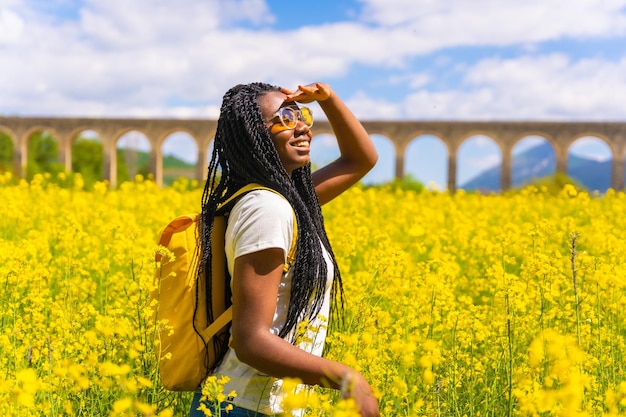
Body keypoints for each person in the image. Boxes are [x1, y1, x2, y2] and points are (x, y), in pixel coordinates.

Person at [189, 82, 379, 417]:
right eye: (286, 117)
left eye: (303, 115)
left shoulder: (289, 202)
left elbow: (359, 159)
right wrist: (347, 378)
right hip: (245, 406)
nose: (304, 125)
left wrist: (328, 100)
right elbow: (251, 341)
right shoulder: (266, 208)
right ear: (254, 134)